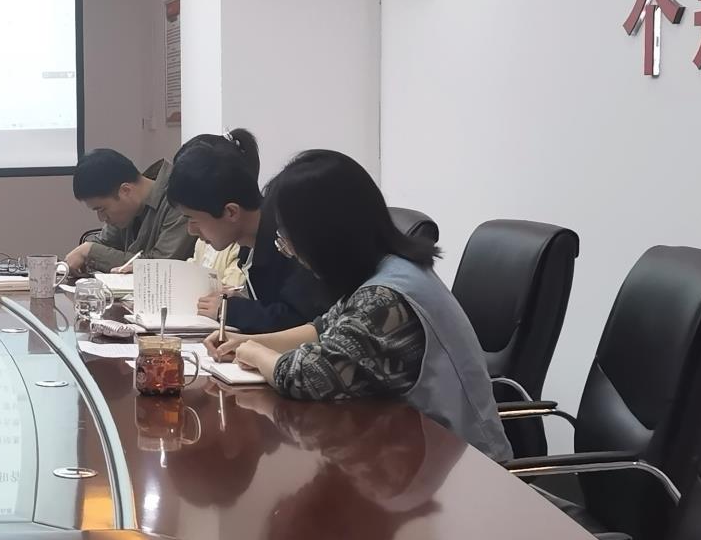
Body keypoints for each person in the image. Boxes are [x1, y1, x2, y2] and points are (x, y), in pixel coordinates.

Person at [208, 150, 512, 461]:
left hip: (471, 469)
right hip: (415, 455)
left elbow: (307, 376)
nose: (291, 252)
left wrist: (254, 353)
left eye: (288, 239)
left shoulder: (385, 298)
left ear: (323, 237)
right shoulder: (388, 269)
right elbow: (322, 328)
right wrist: (246, 341)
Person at [165, 130, 328, 333]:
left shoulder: (287, 242)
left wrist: (231, 310)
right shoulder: (250, 243)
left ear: (231, 212)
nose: (191, 230)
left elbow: (298, 320)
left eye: (193, 219)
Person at [62, 149, 196, 275]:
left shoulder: (178, 197)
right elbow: (102, 244)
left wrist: (90, 252)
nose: (101, 218)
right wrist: (85, 253)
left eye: (102, 209)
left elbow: (161, 267)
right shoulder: (129, 209)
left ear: (125, 191)